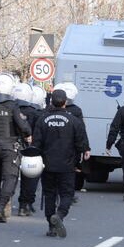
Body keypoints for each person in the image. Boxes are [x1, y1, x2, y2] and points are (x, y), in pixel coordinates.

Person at [32, 89, 89, 238]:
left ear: (51, 102)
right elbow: (81, 141)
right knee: (67, 193)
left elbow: (36, 144)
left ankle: (51, 227)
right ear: (65, 102)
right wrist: (85, 152)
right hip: (67, 164)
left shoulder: (42, 120)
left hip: (47, 164)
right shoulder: (74, 120)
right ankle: (60, 214)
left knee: (49, 194)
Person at [0, 74, 32, 222]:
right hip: (9, 148)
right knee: (10, 178)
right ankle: (0, 207)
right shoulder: (12, 106)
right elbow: (23, 127)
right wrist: (27, 133)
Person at [13, 84, 42, 216]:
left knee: (9, 177)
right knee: (30, 178)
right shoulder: (35, 113)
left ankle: (4, 202)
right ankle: (24, 205)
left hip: (11, 146)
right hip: (31, 149)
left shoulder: (10, 108)